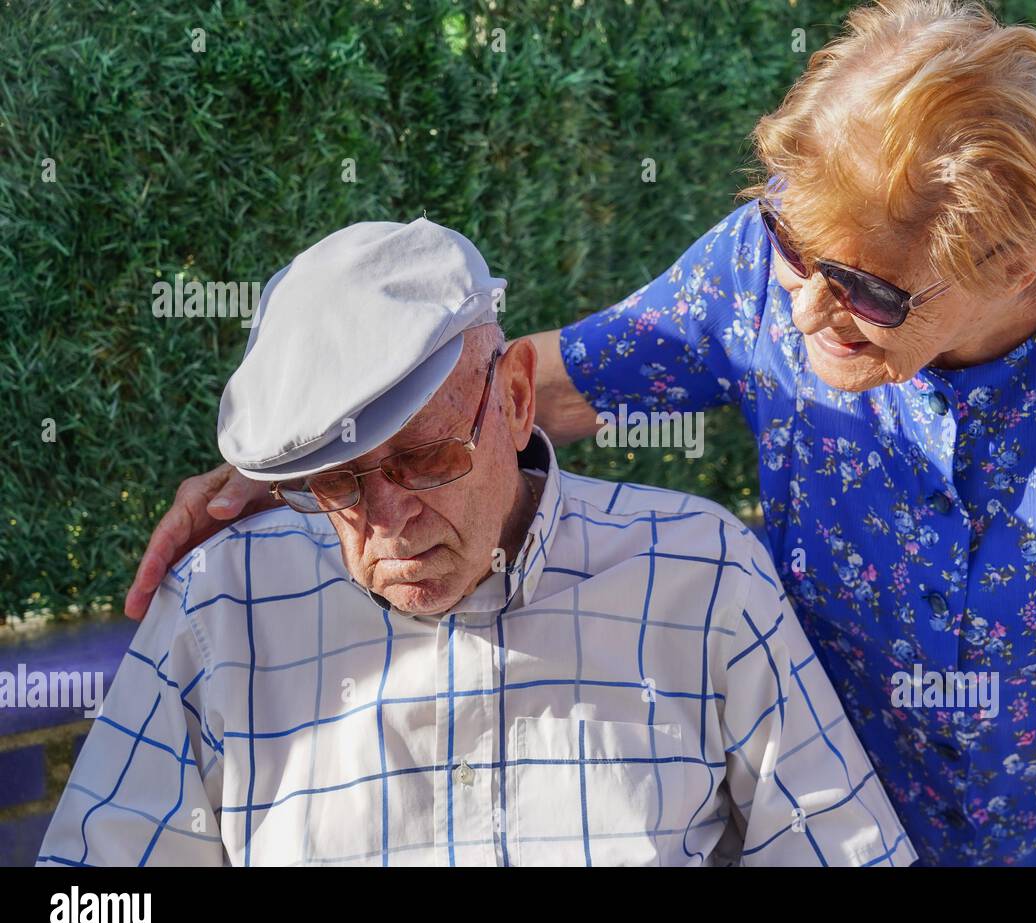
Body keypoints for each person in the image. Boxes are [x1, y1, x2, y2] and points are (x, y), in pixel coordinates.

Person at [123, 0, 1036, 865]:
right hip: (854, 820)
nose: (799, 312)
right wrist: (285, 460)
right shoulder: (768, 273)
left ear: (1011, 261)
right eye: (792, 252)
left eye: (866, 292)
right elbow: (517, 386)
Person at [39, 218, 913, 867]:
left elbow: (843, 850)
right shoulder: (220, 608)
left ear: (519, 399)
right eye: (337, 480)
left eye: (423, 458)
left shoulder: (702, 575)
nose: (387, 519)